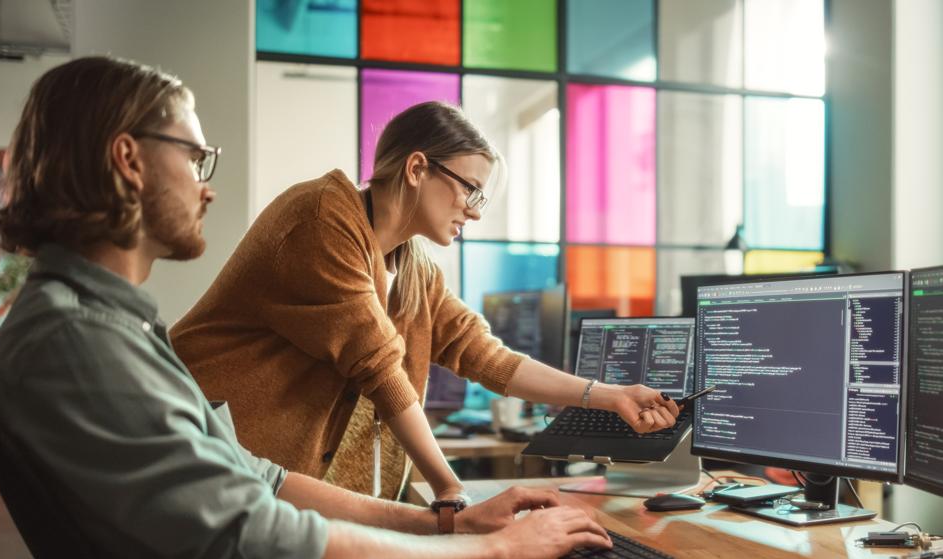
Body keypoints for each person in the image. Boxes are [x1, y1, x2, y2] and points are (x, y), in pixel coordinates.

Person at [0, 55, 611, 559]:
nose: (207, 188)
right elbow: (291, 552)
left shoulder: (111, 329)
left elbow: (261, 478)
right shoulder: (78, 345)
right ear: (129, 158)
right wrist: (488, 542)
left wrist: (447, 520)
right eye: (196, 158)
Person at [171, 100, 681, 501]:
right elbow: (380, 368)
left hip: (281, 494)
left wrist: (610, 396)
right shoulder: (323, 218)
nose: (474, 213)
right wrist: (449, 488)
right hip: (205, 469)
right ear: (417, 168)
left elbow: (486, 356)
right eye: (470, 191)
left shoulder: (412, 269)